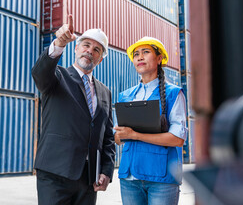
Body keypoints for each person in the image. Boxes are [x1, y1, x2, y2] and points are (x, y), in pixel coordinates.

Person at [31, 14, 115, 205]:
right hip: (55, 174)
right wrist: (59, 44)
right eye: (86, 45)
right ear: (76, 48)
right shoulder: (57, 77)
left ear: (100, 59)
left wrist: (106, 170)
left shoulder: (105, 92)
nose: (89, 51)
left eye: (96, 50)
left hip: (88, 179)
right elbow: (39, 73)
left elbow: (107, 136)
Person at [114, 36, 188, 205]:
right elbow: (118, 138)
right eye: (136, 54)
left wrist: (135, 134)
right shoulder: (125, 95)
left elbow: (177, 139)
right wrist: (119, 135)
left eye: (146, 52)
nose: (139, 57)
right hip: (129, 177)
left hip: (161, 178)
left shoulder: (173, 94)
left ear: (159, 58)